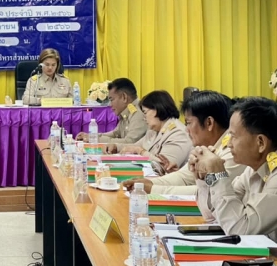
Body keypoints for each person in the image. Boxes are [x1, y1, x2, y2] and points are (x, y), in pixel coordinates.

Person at [123, 91, 246, 220]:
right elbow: (183, 176)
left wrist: (153, 189)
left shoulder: (232, 152)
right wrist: (147, 183)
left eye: (188, 122)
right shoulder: (206, 147)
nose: (186, 129)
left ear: (209, 123)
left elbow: (212, 193)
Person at [189, 97, 277, 240]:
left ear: (261, 142)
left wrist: (218, 174)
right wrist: (204, 177)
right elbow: (214, 216)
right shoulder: (252, 170)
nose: (229, 144)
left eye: (234, 136)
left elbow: (241, 230)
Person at [106, 90, 192, 172]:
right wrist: (116, 147)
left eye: (145, 112)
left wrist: (141, 151)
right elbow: (135, 146)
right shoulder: (154, 130)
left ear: (156, 110)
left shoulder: (178, 133)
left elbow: (165, 167)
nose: (144, 118)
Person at [77, 78, 147, 144]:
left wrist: (96, 139)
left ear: (124, 97)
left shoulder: (138, 113)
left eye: (112, 100)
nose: (110, 104)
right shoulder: (126, 111)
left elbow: (130, 142)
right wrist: (92, 136)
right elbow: (115, 134)